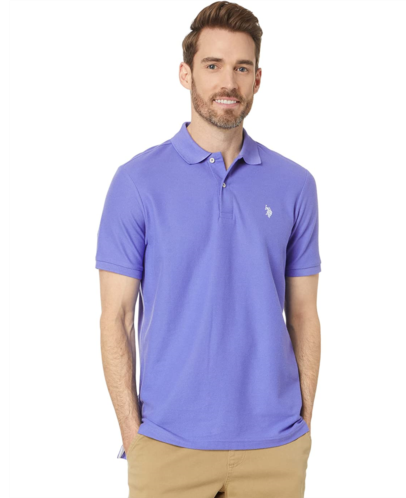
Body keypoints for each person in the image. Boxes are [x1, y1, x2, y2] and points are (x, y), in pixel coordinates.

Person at [96, 1, 321, 496]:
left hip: (275, 449)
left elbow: (304, 314)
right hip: (168, 447)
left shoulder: (295, 184)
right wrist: (135, 438)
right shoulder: (136, 182)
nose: (228, 83)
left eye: (241, 68)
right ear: (186, 74)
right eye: (213, 65)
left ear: (257, 80)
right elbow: (116, 318)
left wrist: (302, 424)